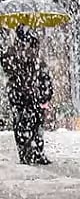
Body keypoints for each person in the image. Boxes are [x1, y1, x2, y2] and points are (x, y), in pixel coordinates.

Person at [0, 26, 53, 165]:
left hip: (31, 94)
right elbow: (9, 68)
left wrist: (44, 91)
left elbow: (42, 73)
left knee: (37, 123)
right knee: (21, 123)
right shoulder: (12, 54)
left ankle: (37, 152)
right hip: (19, 94)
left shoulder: (34, 57)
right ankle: (25, 153)